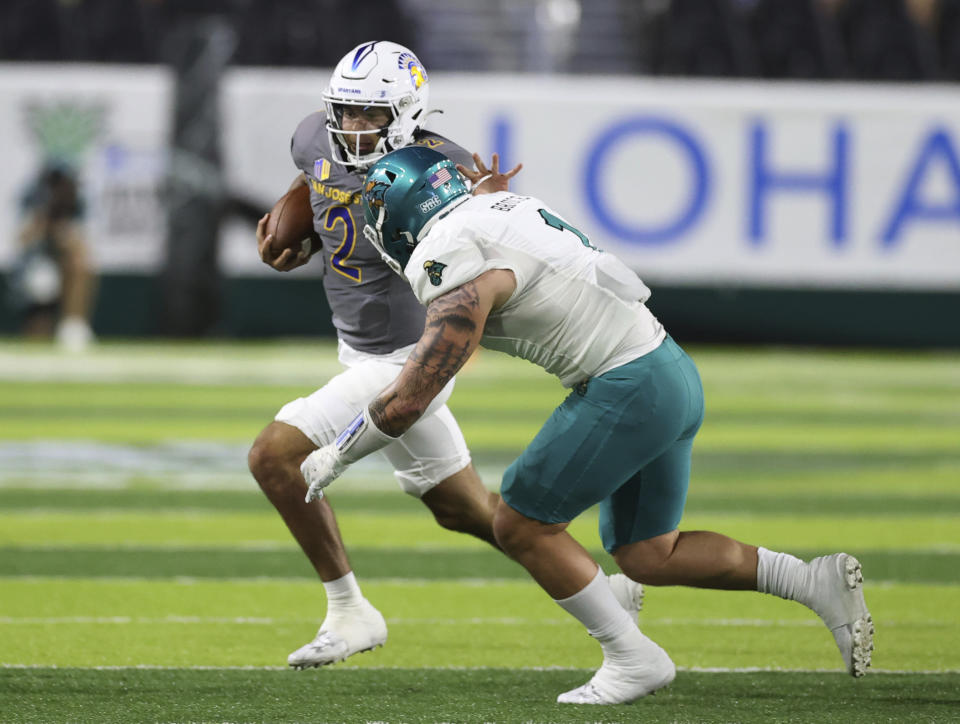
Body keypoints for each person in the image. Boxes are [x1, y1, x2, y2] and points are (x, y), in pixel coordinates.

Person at [299, 146, 875, 704]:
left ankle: (633, 658)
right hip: (669, 369)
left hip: (628, 385)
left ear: (397, 217)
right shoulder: (499, 208)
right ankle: (810, 582)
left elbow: (409, 398)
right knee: (649, 554)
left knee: (520, 520)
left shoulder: (449, 251)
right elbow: (505, 246)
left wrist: (339, 453)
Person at [248, 40, 644, 669]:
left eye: (368, 116)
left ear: (406, 113)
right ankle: (605, 587)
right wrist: (295, 228)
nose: (351, 129)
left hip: (412, 357)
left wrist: (485, 201)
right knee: (460, 510)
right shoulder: (313, 138)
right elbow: (317, 177)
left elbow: (488, 243)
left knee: (273, 457)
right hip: (358, 348)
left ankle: (350, 611)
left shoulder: (441, 171)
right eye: (343, 112)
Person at [8, 162, 97, 350]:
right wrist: (41, 223)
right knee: (38, 328)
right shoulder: (33, 199)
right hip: (32, 268)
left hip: (62, 268)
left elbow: (81, 245)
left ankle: (74, 326)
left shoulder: (77, 203)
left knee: (79, 261)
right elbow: (21, 239)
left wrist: (61, 233)